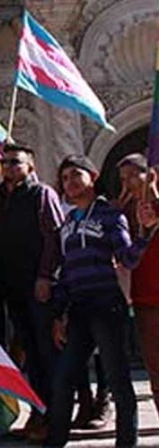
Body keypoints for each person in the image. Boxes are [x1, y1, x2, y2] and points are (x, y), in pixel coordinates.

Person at [46, 155, 159, 447]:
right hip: (78, 308)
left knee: (117, 378)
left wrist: (145, 234)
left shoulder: (110, 215)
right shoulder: (67, 223)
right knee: (63, 378)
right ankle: (55, 441)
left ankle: (126, 441)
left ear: (92, 177)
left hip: (106, 304)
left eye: (76, 175)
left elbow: (127, 258)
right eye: (65, 178)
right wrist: (58, 313)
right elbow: (66, 271)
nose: (70, 182)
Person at [0, 143, 63, 441]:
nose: (8, 167)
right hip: (12, 288)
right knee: (29, 353)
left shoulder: (41, 194)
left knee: (46, 353)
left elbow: (53, 237)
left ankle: (55, 418)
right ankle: (38, 413)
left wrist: (45, 276)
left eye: (15, 162)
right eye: (4, 162)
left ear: (30, 166)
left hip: (38, 288)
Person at [116, 153, 159, 416]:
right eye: (123, 179)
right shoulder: (124, 212)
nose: (128, 183)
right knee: (155, 367)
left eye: (133, 175)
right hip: (144, 298)